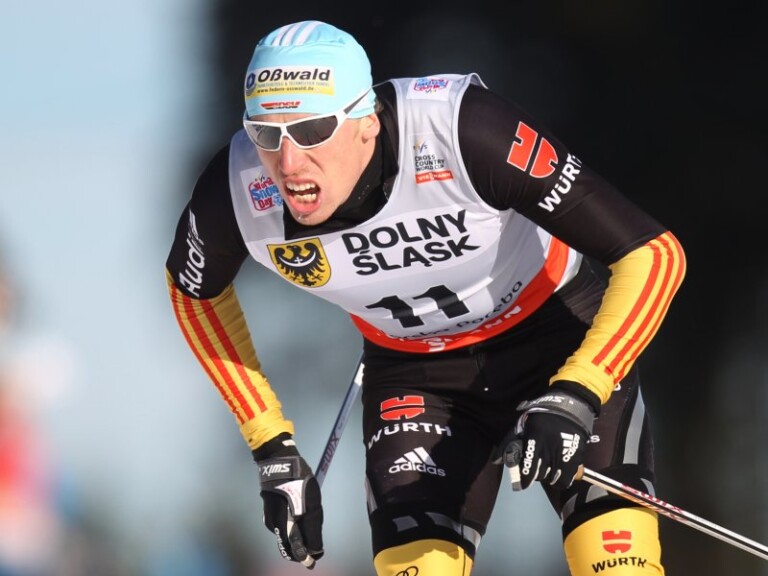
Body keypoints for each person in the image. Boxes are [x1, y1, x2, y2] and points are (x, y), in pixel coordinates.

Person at [165, 19, 686, 576]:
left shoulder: (462, 132)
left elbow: (654, 253)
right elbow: (193, 294)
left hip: (555, 341)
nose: (288, 163)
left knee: (616, 565)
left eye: (313, 130)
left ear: (366, 121)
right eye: (266, 134)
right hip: (417, 376)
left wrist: (578, 393)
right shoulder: (237, 191)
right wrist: (271, 446)